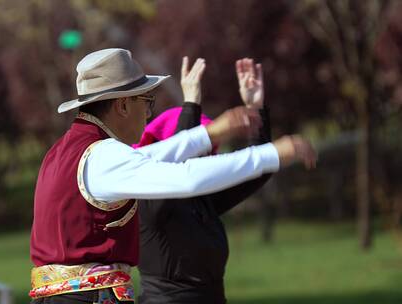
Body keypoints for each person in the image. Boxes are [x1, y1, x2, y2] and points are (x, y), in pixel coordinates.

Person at [29, 48, 317, 304]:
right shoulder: (103, 155)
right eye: (147, 101)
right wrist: (269, 154)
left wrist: (208, 134)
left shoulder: (67, 151)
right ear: (123, 105)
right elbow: (187, 177)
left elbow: (147, 158)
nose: (148, 113)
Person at [136, 57, 272, 303]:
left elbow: (258, 169)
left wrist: (256, 108)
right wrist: (190, 105)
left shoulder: (202, 200)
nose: (207, 155)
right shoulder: (148, 200)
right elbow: (174, 166)